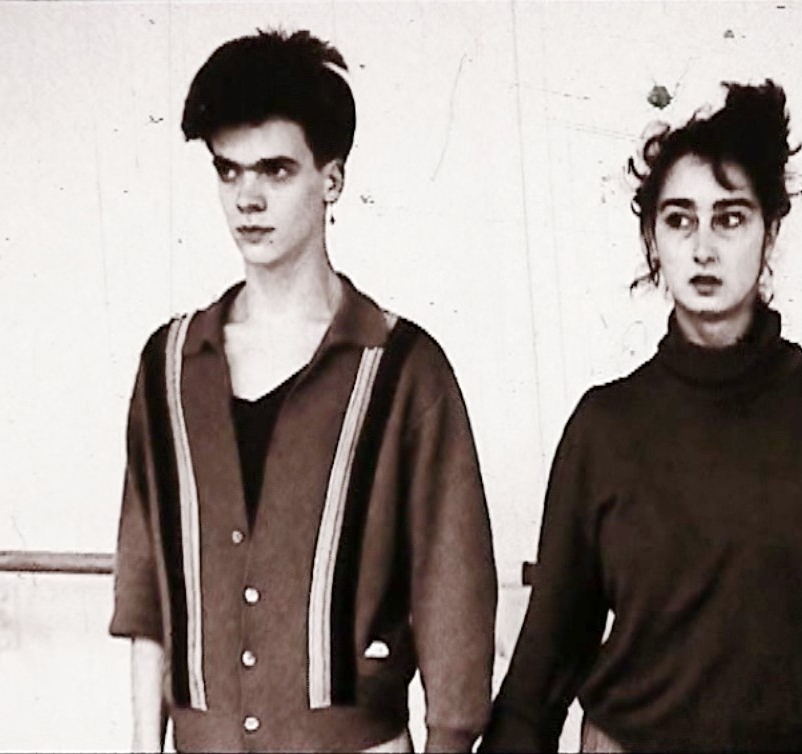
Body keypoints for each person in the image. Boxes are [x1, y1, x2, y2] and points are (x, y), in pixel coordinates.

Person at [480, 80, 802, 753]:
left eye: (730, 218)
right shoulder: (604, 427)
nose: (703, 248)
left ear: (770, 232)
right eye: (679, 219)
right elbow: (546, 656)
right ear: (652, 238)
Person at [109, 29, 497, 753]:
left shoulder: (402, 369)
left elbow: (455, 598)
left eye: (276, 170)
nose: (248, 199)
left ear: (333, 179)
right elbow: (145, 589)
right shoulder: (170, 367)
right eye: (228, 172)